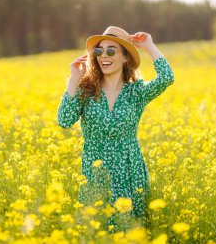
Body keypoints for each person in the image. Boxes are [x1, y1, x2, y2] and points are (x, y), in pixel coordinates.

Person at [57, 26, 174, 232]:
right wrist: (74, 77)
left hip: (130, 172)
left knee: (131, 231)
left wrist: (149, 45)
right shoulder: (86, 90)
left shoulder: (136, 92)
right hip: (96, 174)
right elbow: (65, 120)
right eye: (99, 51)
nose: (104, 56)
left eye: (112, 50)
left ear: (125, 58)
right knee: (95, 231)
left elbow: (167, 78)